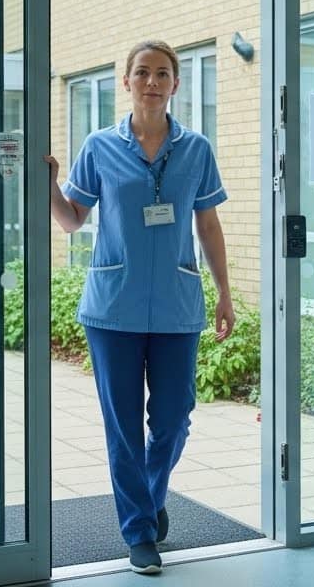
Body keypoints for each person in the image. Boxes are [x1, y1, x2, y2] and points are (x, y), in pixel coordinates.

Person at [46, 40, 235, 575]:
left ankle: (149, 501)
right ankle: (139, 533)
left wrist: (223, 292)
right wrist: (49, 183)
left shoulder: (196, 148)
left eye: (162, 74)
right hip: (114, 308)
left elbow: (208, 224)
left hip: (177, 305)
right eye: (142, 73)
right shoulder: (100, 146)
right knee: (123, 426)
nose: (152, 82)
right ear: (125, 81)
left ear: (175, 84)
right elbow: (71, 220)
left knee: (174, 418)